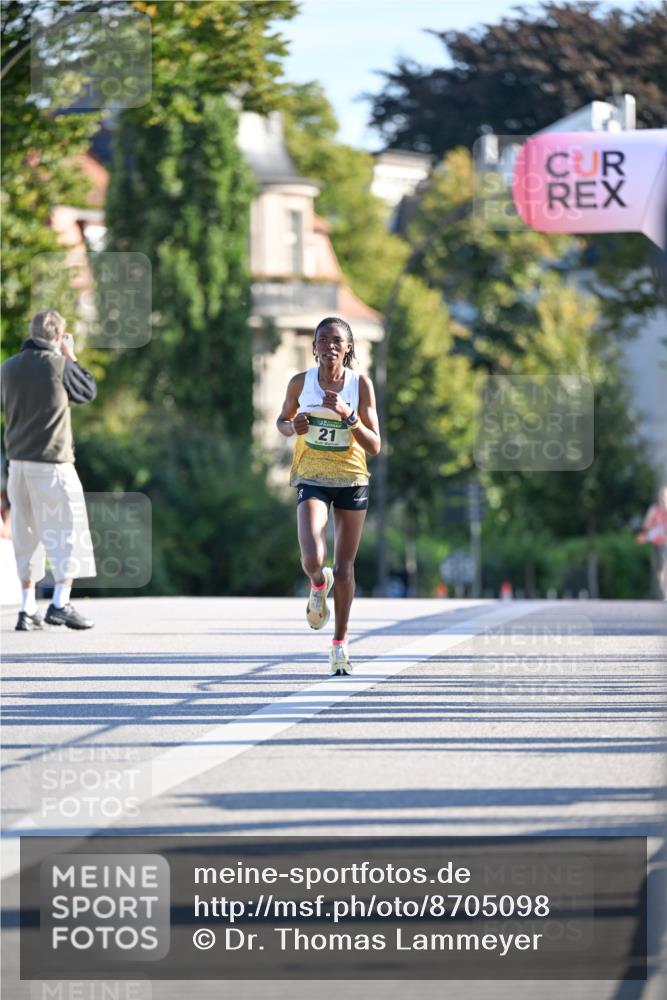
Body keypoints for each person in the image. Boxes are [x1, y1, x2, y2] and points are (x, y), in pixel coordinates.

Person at [276, 317, 381, 675]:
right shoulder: (299, 383)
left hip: (351, 477)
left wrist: (349, 417)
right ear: (315, 347)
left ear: (348, 347)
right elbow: (281, 421)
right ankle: (318, 584)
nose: (330, 346)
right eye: (323, 340)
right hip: (312, 475)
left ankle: (340, 644)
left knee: (345, 565)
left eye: (337, 340)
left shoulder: (359, 385)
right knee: (312, 557)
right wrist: (293, 427)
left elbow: (375, 445)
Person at [1, 309, 97, 630]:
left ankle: (27, 611)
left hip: (18, 464)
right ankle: (60, 603)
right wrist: (70, 356)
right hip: (53, 463)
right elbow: (86, 392)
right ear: (57, 336)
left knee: (25, 535)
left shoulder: (8, 367)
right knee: (69, 529)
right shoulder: (58, 365)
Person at [637, 485, 667, 599]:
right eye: (661, 496)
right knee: (660, 571)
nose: (663, 498)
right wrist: (652, 524)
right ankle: (665, 592)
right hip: (658, 544)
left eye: (665, 496)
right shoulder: (654, 509)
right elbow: (645, 526)